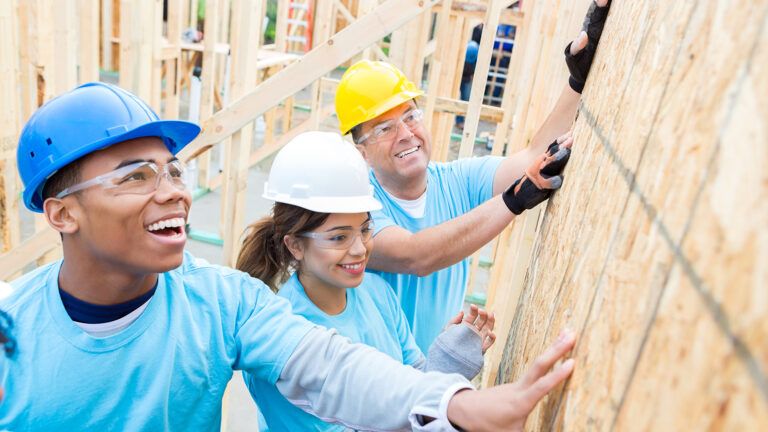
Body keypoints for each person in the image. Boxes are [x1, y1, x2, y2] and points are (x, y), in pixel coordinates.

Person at [0, 80, 577, 430]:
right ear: (61, 214)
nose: (174, 189)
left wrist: (455, 402)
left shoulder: (225, 304)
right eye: (136, 175)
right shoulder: (11, 332)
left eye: (174, 169)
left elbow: (332, 370)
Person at [333, 0, 611, 352]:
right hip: (380, 389)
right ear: (362, 152)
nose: (405, 133)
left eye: (411, 117)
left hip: (436, 381)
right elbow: (415, 256)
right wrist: (513, 201)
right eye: (385, 127)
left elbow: (531, 158)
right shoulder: (358, 209)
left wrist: (576, 81)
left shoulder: (458, 180)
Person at [235, 132, 496, 431]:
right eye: (339, 238)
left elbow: (412, 385)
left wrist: (445, 366)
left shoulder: (377, 292)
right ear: (295, 245)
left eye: (365, 229)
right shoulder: (281, 340)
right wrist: (446, 388)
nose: (359, 249)